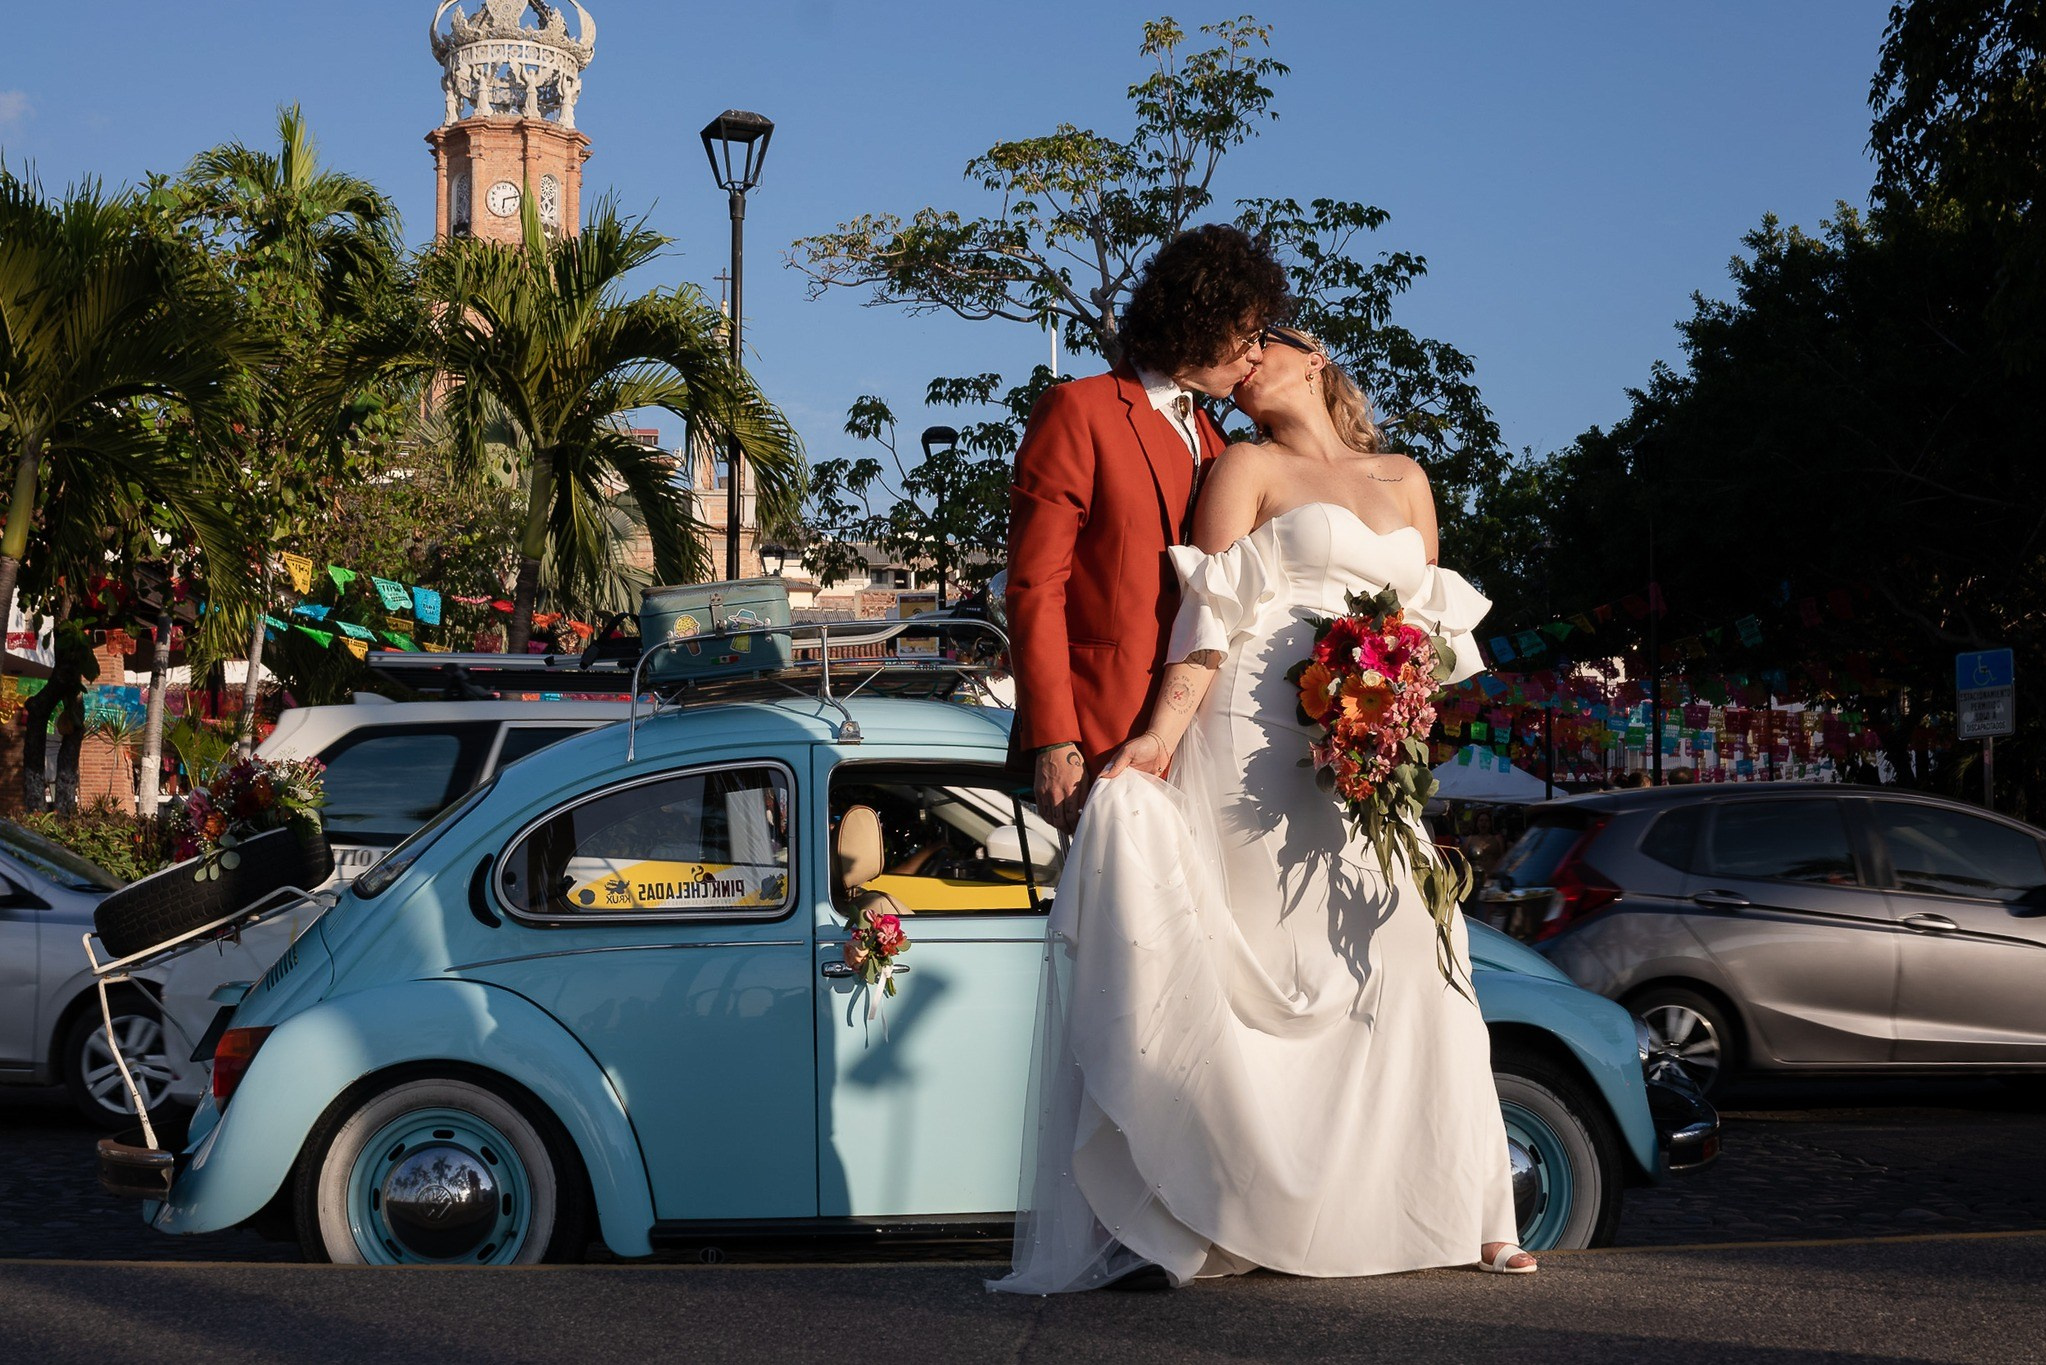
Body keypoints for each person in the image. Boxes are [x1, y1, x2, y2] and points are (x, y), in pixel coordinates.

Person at [991, 325, 1530, 1296]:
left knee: (1409, 949)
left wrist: (1398, 708)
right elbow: (1210, 614)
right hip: (1255, 738)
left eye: (1259, 352)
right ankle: (1229, 1213)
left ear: (1313, 355)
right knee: (1270, 969)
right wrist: (1158, 739)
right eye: (1231, 362)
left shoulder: (1405, 477)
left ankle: (1468, 1208)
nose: (1242, 371)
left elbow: (1428, 631)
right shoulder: (1239, 462)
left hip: (1368, 746)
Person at [1005, 224, 1293, 834]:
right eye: (1246, 334)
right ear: (1199, 320)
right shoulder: (1079, 410)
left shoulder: (1225, 448)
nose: (1256, 354)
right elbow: (1035, 586)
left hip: (1200, 742)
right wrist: (1054, 737)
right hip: (1094, 737)